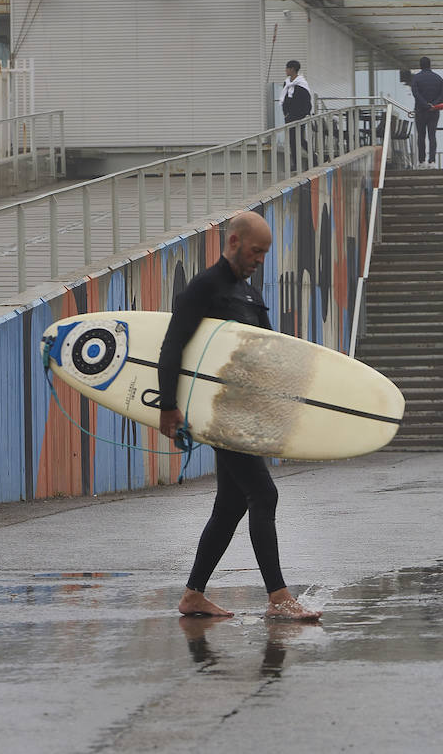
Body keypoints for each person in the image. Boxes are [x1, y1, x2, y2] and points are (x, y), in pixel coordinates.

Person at [157, 211, 320, 621]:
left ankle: (193, 596)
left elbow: (269, 351)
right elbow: (172, 346)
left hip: (246, 414)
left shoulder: (247, 294)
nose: (259, 259)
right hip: (218, 414)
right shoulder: (204, 289)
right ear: (233, 243)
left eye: (264, 253)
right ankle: (279, 597)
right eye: (255, 251)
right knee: (263, 494)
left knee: (231, 505)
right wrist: (168, 405)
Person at [409, 56, 443, 167]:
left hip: (420, 110)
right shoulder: (438, 78)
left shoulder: (416, 78)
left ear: (420, 65)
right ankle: (432, 160)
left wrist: (425, 104)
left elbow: (415, 93)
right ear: (430, 65)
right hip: (434, 111)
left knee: (421, 136)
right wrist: (434, 104)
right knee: (432, 135)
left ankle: (421, 161)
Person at [280, 60, 313, 170]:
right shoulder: (287, 83)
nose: (285, 70)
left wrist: (306, 114)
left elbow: (306, 99)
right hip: (290, 116)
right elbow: (285, 99)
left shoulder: (301, 83)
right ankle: (295, 163)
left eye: (287, 68)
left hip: (300, 116)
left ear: (292, 69)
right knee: (292, 140)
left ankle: (314, 157)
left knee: (299, 139)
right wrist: (285, 113)